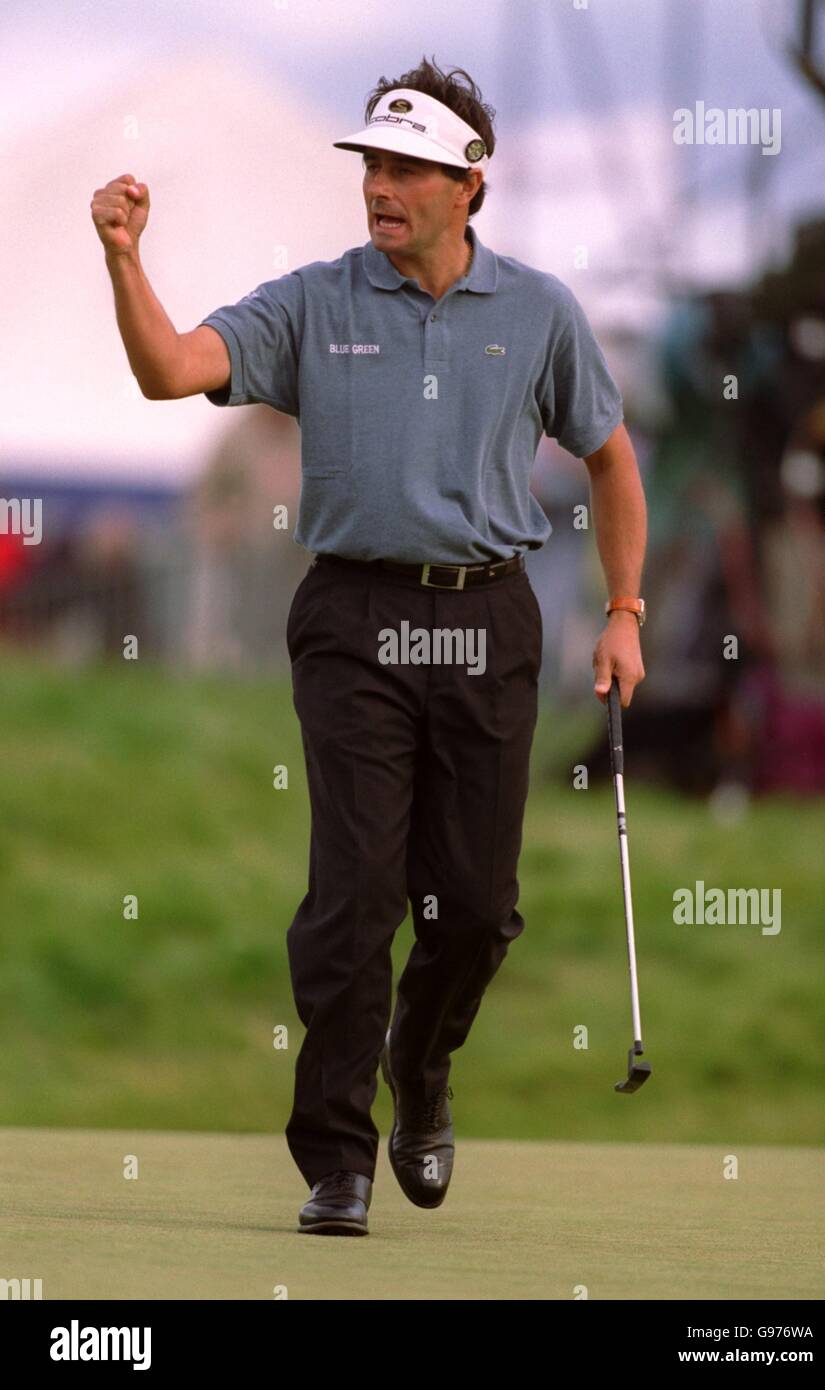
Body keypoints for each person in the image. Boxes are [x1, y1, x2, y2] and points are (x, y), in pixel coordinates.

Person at [91, 55, 647, 1238]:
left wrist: (624, 609)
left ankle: (423, 1066)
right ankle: (335, 1154)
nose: (379, 186)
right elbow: (169, 369)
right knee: (354, 897)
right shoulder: (315, 301)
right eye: (371, 165)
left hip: (491, 620)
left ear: (468, 184)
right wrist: (125, 258)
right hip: (352, 621)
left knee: (479, 906)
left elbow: (610, 458)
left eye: (406, 169)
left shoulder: (539, 311)